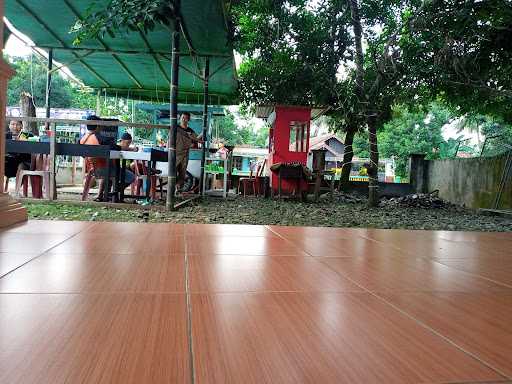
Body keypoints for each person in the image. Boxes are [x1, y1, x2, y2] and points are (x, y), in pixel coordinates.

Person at [80, 116, 135, 201]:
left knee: (109, 170)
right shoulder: (100, 138)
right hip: (105, 169)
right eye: (102, 125)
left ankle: (104, 195)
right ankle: (114, 193)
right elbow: (116, 148)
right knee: (131, 176)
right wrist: (131, 149)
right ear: (98, 126)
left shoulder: (82, 139)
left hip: (92, 170)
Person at [175, 112, 202, 191]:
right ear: (180, 118)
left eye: (186, 118)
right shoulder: (175, 128)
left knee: (182, 173)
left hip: (185, 154)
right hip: (175, 153)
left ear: (188, 120)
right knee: (173, 172)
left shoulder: (190, 131)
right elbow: (169, 140)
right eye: (182, 117)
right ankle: (172, 190)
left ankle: (179, 190)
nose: (183, 119)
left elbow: (197, 139)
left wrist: (196, 142)